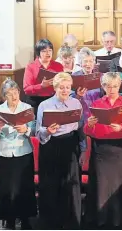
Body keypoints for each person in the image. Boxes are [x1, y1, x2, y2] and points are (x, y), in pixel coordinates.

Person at [84, 72, 122, 229]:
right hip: (102, 149)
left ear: (119, 86)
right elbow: (87, 130)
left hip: (121, 149)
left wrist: (121, 127)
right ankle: (101, 219)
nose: (112, 89)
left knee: (118, 185)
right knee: (102, 185)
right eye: (108, 86)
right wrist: (91, 124)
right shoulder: (98, 104)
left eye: (115, 86)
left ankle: (117, 219)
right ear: (103, 86)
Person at [35, 72, 84, 229]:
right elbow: (38, 132)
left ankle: (71, 222)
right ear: (55, 88)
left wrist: (83, 150)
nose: (65, 90)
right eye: (61, 87)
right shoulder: (45, 105)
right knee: (51, 185)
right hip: (51, 146)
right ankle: (51, 223)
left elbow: (80, 127)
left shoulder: (76, 103)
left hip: (70, 145)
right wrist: (48, 131)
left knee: (71, 184)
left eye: (67, 87)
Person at [0, 80, 37, 229]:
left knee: (25, 187)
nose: (14, 96)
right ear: (4, 96)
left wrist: (26, 130)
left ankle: (25, 219)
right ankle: (9, 220)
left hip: (23, 153)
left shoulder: (27, 108)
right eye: (9, 94)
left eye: (15, 92)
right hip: (4, 154)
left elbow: (34, 130)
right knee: (6, 188)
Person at [23, 39, 64, 113]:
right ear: (38, 53)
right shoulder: (31, 67)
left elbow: (62, 83)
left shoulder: (58, 66)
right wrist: (41, 86)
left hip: (53, 100)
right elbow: (26, 89)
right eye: (44, 51)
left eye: (50, 50)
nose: (48, 53)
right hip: (35, 101)